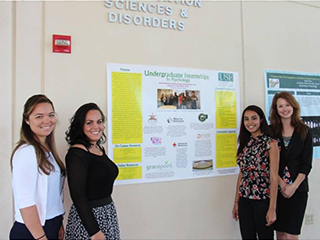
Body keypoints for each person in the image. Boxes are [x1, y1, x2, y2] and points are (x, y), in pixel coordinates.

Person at [9, 94, 66, 240]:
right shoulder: (26, 152)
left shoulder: (48, 150)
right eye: (39, 116)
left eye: (51, 115)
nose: (47, 120)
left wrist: (59, 222)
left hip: (51, 225)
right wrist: (41, 237)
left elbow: (53, 195)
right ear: (27, 120)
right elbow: (25, 203)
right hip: (32, 231)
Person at [65, 103, 120, 240]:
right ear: (80, 126)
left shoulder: (98, 148)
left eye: (99, 121)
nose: (96, 127)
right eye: (89, 123)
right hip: (88, 221)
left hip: (108, 214)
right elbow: (78, 196)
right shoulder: (77, 154)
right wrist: (94, 233)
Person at [269, 92, 313, 239]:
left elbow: (306, 164)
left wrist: (293, 187)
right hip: (277, 190)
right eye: (280, 106)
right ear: (276, 109)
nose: (284, 109)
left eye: (287, 105)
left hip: (298, 190)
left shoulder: (305, 131)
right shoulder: (271, 131)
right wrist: (282, 185)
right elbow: (269, 163)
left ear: (293, 106)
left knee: (292, 234)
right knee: (280, 233)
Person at [232, 105, 279, 239]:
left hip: (262, 200)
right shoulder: (246, 143)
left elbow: (274, 178)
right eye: (246, 119)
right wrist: (236, 202)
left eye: (254, 118)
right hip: (245, 199)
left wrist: (272, 209)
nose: (250, 122)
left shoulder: (270, 143)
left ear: (261, 120)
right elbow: (242, 174)